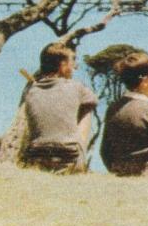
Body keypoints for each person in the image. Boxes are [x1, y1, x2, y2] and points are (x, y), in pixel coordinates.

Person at [19, 42, 98, 173]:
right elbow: (93, 99)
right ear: (62, 66)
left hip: (36, 157)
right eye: (72, 62)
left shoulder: (30, 90)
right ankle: (80, 161)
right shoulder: (77, 87)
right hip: (69, 158)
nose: (75, 67)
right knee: (87, 107)